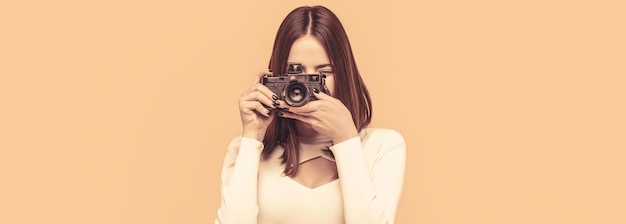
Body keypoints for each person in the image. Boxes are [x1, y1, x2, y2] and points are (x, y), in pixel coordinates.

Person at [215, 5, 406, 224]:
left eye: (323, 73)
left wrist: (346, 139)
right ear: (277, 76)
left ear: (344, 75)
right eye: (295, 73)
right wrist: (252, 137)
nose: (306, 88)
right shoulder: (246, 150)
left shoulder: (383, 146)